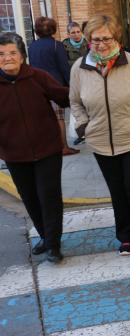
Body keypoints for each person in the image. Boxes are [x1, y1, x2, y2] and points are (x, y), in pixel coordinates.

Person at [69, 14, 130, 259]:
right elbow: (74, 101)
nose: (100, 44)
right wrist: (84, 126)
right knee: (117, 189)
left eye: (106, 38)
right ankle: (125, 235)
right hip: (101, 141)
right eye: (95, 40)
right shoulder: (79, 68)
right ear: (88, 41)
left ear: (116, 38)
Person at [0, 32, 69, 263]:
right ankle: (45, 236)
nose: (6, 58)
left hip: (47, 149)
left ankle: (54, 244)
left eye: (12, 53)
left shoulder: (38, 77)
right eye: (1, 54)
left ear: (21, 56)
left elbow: (64, 97)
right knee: (29, 197)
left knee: (49, 196)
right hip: (14, 153)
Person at [28, 16, 79, 156]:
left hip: (36, 86)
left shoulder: (32, 46)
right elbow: (64, 67)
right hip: (54, 85)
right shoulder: (57, 45)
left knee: (44, 117)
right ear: (53, 29)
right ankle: (63, 147)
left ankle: (48, 146)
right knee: (59, 118)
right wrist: (72, 85)